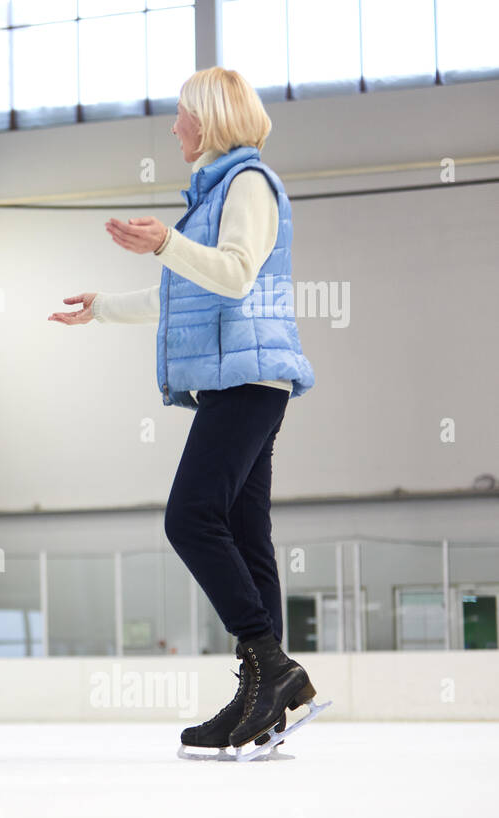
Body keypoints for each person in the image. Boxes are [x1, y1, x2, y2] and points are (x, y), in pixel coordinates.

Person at [50, 68, 320, 758]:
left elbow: (233, 274)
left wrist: (165, 243)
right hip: (239, 380)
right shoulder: (213, 194)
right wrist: (104, 307)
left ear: (211, 118)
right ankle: (262, 686)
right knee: (241, 528)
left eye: (181, 116)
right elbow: (185, 295)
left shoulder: (249, 185)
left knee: (190, 516)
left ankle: (271, 665)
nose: (173, 128)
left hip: (251, 379)